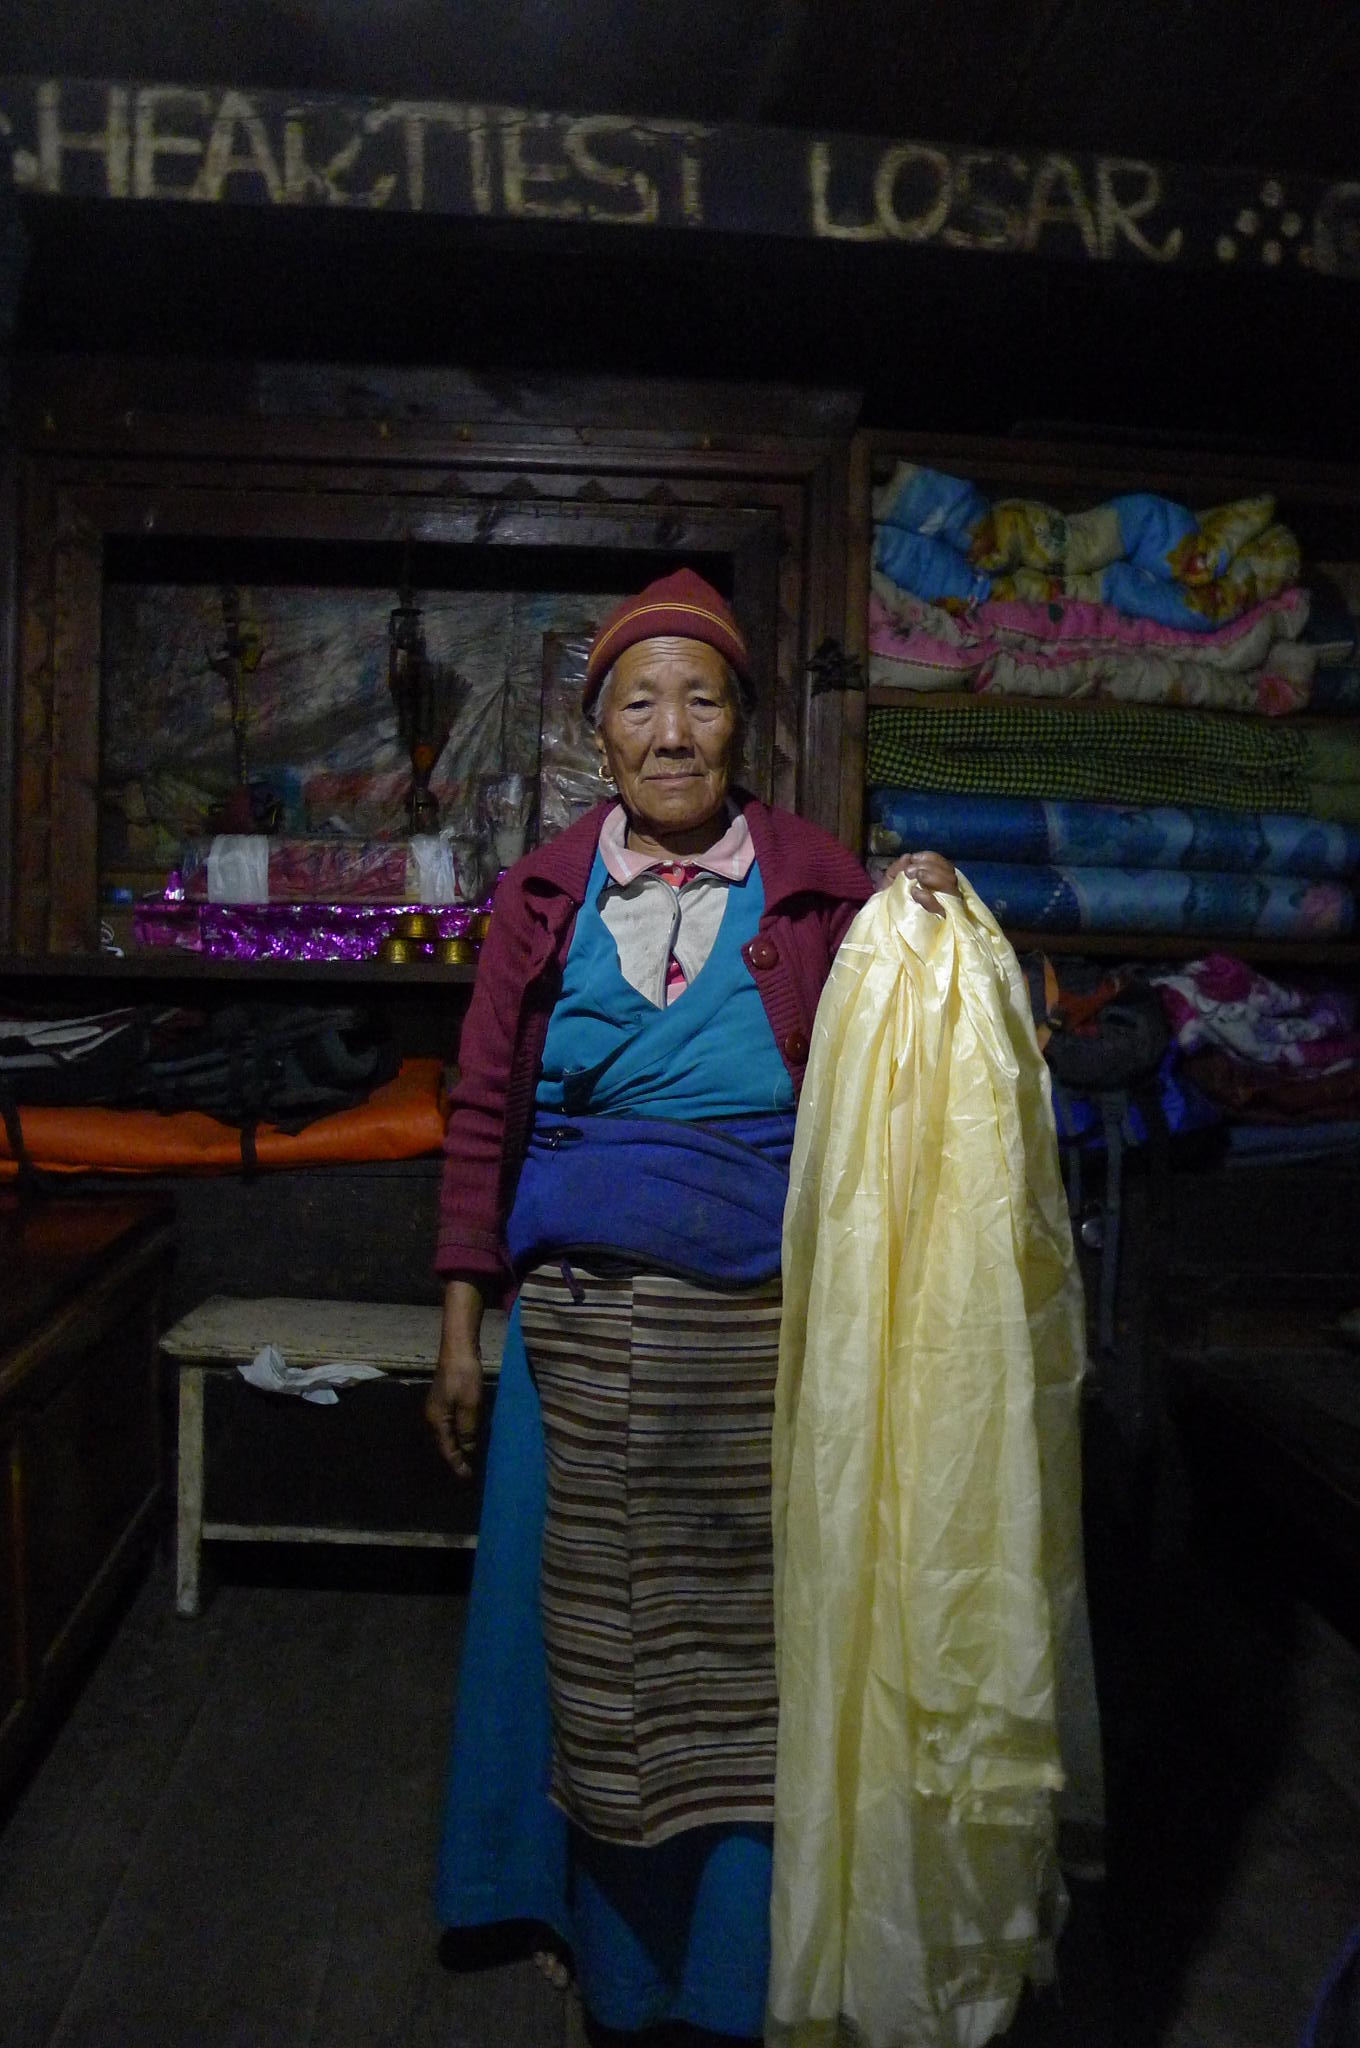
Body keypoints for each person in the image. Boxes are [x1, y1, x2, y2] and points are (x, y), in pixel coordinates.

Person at [427, 568, 957, 2043]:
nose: (671, 732)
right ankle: (602, 1949)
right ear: (597, 734)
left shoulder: (823, 889)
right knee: (589, 1653)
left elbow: (915, 1052)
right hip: (573, 1335)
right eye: (640, 704)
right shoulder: (545, 897)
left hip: (764, 1341)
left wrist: (933, 917)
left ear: (744, 727)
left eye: (701, 700)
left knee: (745, 1670)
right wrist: (464, 1328)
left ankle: (735, 1970)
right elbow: (482, 1114)